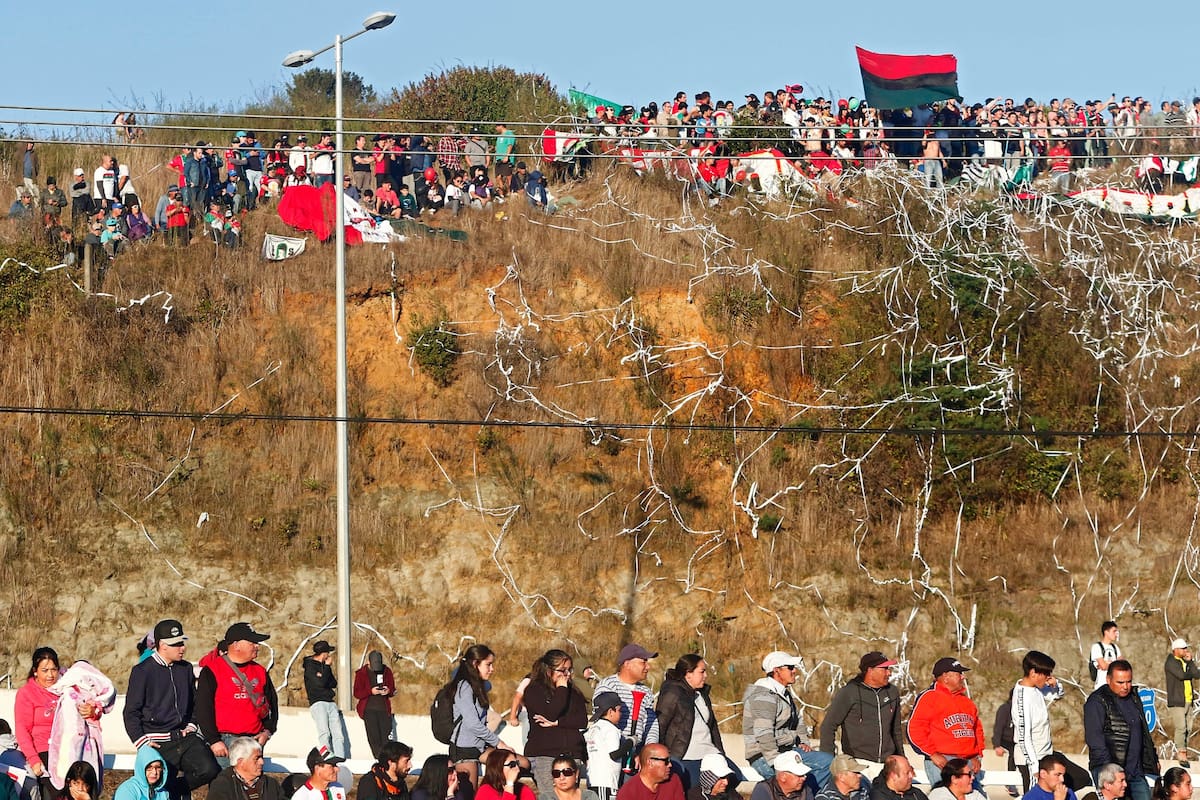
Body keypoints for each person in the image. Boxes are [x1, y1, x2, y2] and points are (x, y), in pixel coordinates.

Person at [123, 619, 219, 800]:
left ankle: (171, 790)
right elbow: (131, 712)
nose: (182, 648)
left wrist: (192, 724)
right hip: (157, 742)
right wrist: (141, 742)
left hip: (185, 738)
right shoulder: (142, 671)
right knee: (158, 787)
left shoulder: (186, 668)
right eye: (176, 644)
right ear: (162, 645)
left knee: (210, 769)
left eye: (182, 643)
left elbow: (195, 702)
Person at [742, 651, 832, 786]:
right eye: (790, 667)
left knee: (828, 762)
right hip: (764, 756)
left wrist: (804, 742)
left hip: (787, 751)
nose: (794, 671)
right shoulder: (763, 696)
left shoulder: (784, 693)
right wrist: (776, 763)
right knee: (795, 782)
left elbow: (798, 721)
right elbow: (764, 734)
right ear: (776, 671)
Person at [195, 622, 279, 758]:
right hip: (224, 741)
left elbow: (272, 704)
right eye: (252, 642)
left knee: (252, 778)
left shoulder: (260, 671)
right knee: (226, 779)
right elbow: (203, 708)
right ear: (236, 645)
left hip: (254, 740)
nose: (257, 646)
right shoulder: (212, 670)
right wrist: (214, 740)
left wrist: (268, 731)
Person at [820, 652, 903, 780]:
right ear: (870, 670)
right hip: (858, 764)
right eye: (885, 669)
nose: (889, 673)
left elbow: (896, 729)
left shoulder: (892, 692)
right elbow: (828, 726)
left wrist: (901, 758)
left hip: (888, 764)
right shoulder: (849, 692)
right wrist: (827, 761)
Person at [1084, 659, 1158, 800]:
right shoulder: (1097, 701)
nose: (1125, 686)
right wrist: (1110, 772)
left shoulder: (1134, 697)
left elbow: (1143, 733)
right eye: (1120, 682)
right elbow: (1095, 739)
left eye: (1128, 681)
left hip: (1135, 771)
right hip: (1110, 772)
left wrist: (1152, 758)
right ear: (1108, 679)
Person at [906, 658, 983, 788]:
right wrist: (932, 754)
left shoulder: (966, 702)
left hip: (967, 761)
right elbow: (915, 730)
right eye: (959, 673)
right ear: (946, 677)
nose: (963, 677)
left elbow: (977, 730)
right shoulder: (929, 697)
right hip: (943, 761)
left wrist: (977, 755)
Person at [655, 654, 728, 791]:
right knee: (693, 791)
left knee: (734, 778)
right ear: (688, 674)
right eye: (702, 671)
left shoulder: (702, 694)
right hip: (686, 755)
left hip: (711, 754)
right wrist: (662, 758)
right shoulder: (673, 692)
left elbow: (712, 728)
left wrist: (721, 754)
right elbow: (660, 725)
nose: (705, 675)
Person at [1011, 652, 1079, 792]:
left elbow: (1056, 695)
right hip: (1031, 760)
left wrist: (1055, 685)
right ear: (1033, 673)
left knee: (1081, 778)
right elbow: (1024, 738)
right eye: (1046, 674)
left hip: (1046, 755)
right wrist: (1035, 767)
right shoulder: (1022, 698)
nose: (1048, 677)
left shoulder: (1036, 689)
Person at [523, 649, 588, 791]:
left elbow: (582, 720)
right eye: (562, 670)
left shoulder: (574, 692)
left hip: (572, 753)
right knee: (551, 795)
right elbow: (550, 713)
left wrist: (559, 723)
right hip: (545, 754)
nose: (567, 674)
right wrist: (561, 689)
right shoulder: (534, 690)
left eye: (570, 670)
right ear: (548, 670)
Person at [447, 644, 500, 788]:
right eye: (488, 664)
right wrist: (498, 742)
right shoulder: (464, 686)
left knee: (515, 762)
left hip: (478, 746)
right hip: (464, 749)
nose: (492, 669)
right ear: (475, 664)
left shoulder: (477, 686)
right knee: (468, 793)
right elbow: (473, 724)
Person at [597, 644, 660, 761]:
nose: (648, 667)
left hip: (636, 757)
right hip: (610, 756)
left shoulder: (645, 691)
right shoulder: (608, 686)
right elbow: (602, 723)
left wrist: (646, 753)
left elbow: (651, 725)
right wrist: (624, 748)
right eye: (643, 662)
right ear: (627, 664)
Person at [14, 647, 63, 795]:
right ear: (35, 671)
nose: (50, 675)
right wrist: (34, 759)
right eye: (45, 670)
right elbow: (22, 729)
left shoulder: (64, 690)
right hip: (43, 752)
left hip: (65, 751)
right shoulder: (27, 694)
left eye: (54, 670)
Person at [586, 692, 632, 800]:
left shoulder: (593, 728)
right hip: (606, 783)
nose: (621, 714)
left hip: (593, 781)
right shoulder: (611, 729)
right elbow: (614, 754)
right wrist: (631, 741)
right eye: (619, 710)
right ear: (611, 711)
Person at [304, 640, 346, 759]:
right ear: (324, 653)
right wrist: (326, 668)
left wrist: (326, 670)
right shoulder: (310, 666)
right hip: (318, 703)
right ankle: (327, 758)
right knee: (324, 733)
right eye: (328, 653)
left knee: (338, 734)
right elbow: (320, 684)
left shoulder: (324, 667)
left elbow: (333, 682)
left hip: (330, 702)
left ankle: (340, 758)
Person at [205, 737, 284, 800]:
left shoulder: (271, 784)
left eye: (261, 757)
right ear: (240, 762)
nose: (262, 762)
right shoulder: (222, 786)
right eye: (257, 758)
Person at [354, 651, 396, 760]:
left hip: (383, 709)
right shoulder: (361, 673)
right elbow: (357, 693)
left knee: (386, 737)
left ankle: (387, 759)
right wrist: (370, 691)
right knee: (374, 737)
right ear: (368, 662)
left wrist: (388, 691)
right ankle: (379, 759)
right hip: (368, 709)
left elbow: (392, 689)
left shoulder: (387, 671)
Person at [1165, 639, 1200, 766]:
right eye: (1183, 649)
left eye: (1186, 648)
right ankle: (1181, 753)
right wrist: (1188, 663)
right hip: (1177, 700)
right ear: (1176, 650)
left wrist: (1190, 662)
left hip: (1188, 699)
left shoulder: (1186, 661)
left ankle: (1183, 749)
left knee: (1188, 728)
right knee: (1181, 727)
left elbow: (1196, 674)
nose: (1186, 651)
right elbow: (1182, 675)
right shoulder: (1171, 662)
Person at [616, 744, 685, 800]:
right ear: (650, 762)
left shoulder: (673, 780)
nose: (670, 765)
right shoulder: (628, 793)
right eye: (666, 761)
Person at [749, 751, 814, 800]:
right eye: (799, 775)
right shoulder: (764, 789)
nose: (804, 778)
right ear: (783, 776)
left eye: (804, 775)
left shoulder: (805, 790)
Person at [1091, 623, 1122, 690]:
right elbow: (1103, 666)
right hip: (1101, 686)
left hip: (1115, 686)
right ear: (1106, 632)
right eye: (1114, 631)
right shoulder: (1096, 647)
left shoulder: (1115, 647)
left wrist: (1108, 664)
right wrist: (1114, 664)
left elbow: (1122, 665)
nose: (1116, 634)